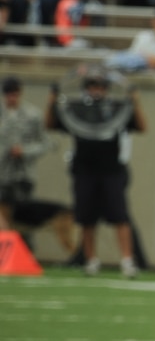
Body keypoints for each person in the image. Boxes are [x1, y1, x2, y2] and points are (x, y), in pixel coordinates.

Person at [45, 64, 147, 278]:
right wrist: (52, 99)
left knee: (120, 216)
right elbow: (51, 124)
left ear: (106, 88)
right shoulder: (77, 108)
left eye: (100, 85)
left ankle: (127, 261)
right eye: (91, 85)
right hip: (84, 169)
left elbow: (141, 126)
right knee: (86, 218)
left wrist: (135, 100)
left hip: (111, 170)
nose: (96, 89)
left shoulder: (116, 108)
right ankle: (90, 260)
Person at [0, 77, 74, 256]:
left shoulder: (32, 115)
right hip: (2, 174)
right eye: (9, 94)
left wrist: (25, 151)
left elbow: (46, 143)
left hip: (23, 176)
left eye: (15, 94)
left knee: (25, 220)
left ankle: (25, 256)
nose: (12, 98)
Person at [104, 4, 155, 73]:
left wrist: (146, 59)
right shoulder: (143, 36)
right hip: (143, 78)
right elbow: (134, 59)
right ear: (154, 21)